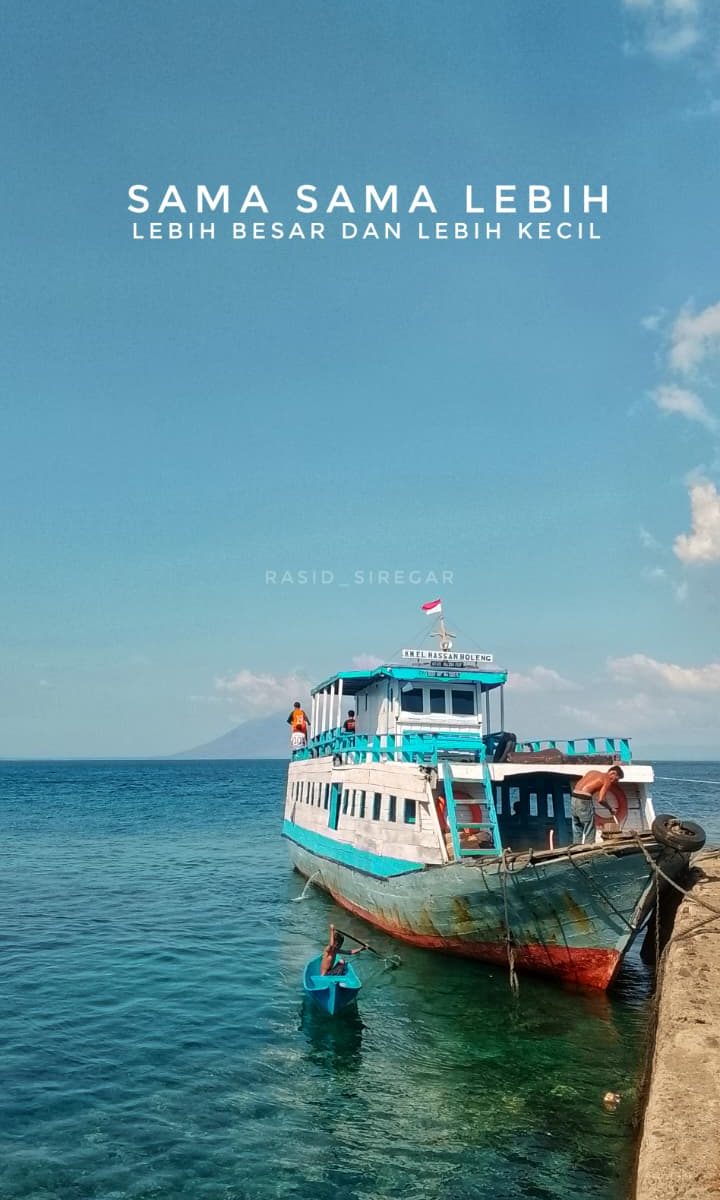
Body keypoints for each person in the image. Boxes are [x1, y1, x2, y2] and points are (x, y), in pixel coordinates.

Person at [570, 765, 625, 845]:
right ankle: (589, 848)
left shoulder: (592, 772)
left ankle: (575, 847)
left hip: (574, 797)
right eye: (617, 779)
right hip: (584, 799)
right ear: (613, 773)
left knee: (577, 825)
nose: (616, 782)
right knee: (590, 827)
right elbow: (601, 799)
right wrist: (610, 809)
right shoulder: (607, 779)